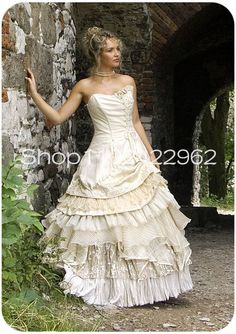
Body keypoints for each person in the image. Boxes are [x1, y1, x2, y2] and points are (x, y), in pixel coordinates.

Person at [25, 26, 193, 308]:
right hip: (102, 156)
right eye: (110, 51)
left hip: (133, 155)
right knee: (103, 218)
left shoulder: (128, 81)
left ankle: (142, 285)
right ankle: (105, 282)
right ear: (97, 54)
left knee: (140, 218)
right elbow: (56, 118)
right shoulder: (84, 86)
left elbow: (136, 122)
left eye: (118, 50)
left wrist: (151, 156)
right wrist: (34, 93)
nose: (117, 55)